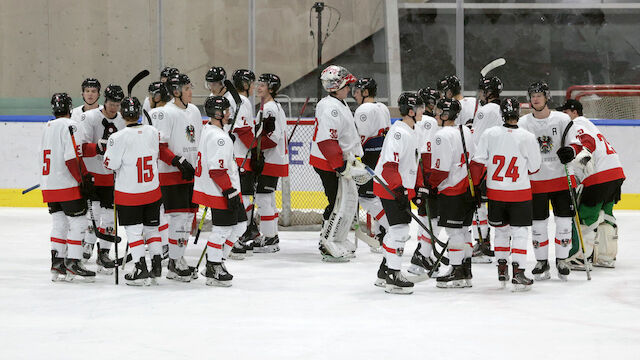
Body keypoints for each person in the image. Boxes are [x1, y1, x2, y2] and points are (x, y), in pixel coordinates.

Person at [471, 97, 541, 291]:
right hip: (519, 193)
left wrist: (476, 186)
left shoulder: (489, 133)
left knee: (500, 231)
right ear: (518, 112)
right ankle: (518, 273)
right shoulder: (527, 137)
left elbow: (478, 162)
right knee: (519, 233)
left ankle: (501, 268)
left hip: (495, 193)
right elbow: (535, 168)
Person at [556, 99, 625, 269]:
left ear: (573, 112)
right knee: (606, 214)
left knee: (586, 215)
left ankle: (580, 257)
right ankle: (605, 256)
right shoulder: (590, 124)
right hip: (615, 171)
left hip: (598, 175)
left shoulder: (576, 124)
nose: (563, 117)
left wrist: (583, 157)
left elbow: (585, 142)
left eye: (564, 112)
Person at [103, 97, 163, 286]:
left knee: (134, 232)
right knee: (153, 229)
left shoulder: (117, 137)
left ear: (122, 114)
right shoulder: (153, 131)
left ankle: (139, 268)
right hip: (152, 190)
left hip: (129, 193)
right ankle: (157, 265)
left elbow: (110, 165)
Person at [518, 81, 573, 281]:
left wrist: (571, 151)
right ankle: (542, 262)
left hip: (560, 179)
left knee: (564, 222)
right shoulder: (523, 123)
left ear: (546, 97)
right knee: (538, 224)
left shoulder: (562, 119)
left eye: (539, 95)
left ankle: (562, 260)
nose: (536, 98)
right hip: (536, 181)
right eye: (533, 95)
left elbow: (574, 143)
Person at [310, 65, 363, 262]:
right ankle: (327, 243)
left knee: (345, 202)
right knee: (336, 204)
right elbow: (326, 140)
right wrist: (338, 165)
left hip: (339, 161)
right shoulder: (330, 107)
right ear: (337, 85)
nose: (349, 88)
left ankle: (338, 238)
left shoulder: (337, 103)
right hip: (330, 163)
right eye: (346, 85)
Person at [193, 96, 248, 286]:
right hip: (221, 190)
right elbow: (216, 170)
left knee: (240, 225)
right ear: (218, 113)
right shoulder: (220, 138)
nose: (229, 112)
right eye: (226, 109)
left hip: (225, 188)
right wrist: (229, 191)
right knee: (222, 230)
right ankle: (214, 265)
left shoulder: (211, 130)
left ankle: (217, 260)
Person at [41, 93, 95, 282]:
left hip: (49, 185)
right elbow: (72, 158)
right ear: (70, 107)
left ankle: (57, 264)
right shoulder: (71, 125)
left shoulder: (47, 126)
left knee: (59, 224)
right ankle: (73, 261)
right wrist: (84, 179)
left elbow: (74, 150)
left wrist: (96, 148)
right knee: (78, 222)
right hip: (67, 184)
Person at [373, 92, 423, 294]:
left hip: (398, 187)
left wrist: (417, 188)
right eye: (419, 107)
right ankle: (393, 274)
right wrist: (399, 191)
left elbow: (413, 162)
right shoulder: (399, 132)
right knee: (400, 230)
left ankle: (384, 270)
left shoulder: (412, 130)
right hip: (390, 186)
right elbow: (389, 166)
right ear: (411, 111)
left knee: (397, 229)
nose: (423, 110)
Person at [156, 73, 202, 282]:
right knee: (178, 218)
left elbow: (197, 140)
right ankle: (174, 264)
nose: (190, 92)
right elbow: (160, 147)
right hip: (172, 175)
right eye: (186, 89)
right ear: (176, 92)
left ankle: (179, 258)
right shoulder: (166, 113)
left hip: (192, 175)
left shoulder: (193, 111)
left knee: (188, 218)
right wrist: (177, 161)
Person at [429, 98, 476, 288]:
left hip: (452, 189)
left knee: (454, 231)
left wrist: (429, 186)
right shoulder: (466, 130)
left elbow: (441, 170)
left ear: (446, 114)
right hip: (468, 189)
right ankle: (465, 269)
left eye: (440, 111)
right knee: (464, 231)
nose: (436, 113)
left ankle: (456, 269)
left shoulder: (442, 135)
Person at [79, 84, 125, 274]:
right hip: (92, 175)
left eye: (117, 104)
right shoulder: (90, 118)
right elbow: (80, 148)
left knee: (109, 216)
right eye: (111, 103)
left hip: (112, 176)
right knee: (94, 215)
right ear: (104, 101)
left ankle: (104, 252)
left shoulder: (123, 120)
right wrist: (96, 148)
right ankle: (87, 245)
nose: (113, 107)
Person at [250, 73, 288, 253]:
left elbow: (273, 137)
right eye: (259, 84)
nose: (259, 87)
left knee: (263, 198)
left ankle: (269, 238)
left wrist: (253, 148)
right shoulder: (272, 106)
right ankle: (271, 235)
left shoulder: (270, 108)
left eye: (263, 85)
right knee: (268, 199)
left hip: (270, 159)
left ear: (271, 89)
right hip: (274, 159)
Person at [352, 77, 391, 251]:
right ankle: (383, 236)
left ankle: (392, 228)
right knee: (378, 198)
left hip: (369, 158)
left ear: (366, 92)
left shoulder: (363, 109)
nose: (354, 94)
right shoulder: (382, 107)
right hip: (381, 157)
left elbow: (359, 139)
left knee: (366, 198)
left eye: (358, 91)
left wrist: (352, 156)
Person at [469, 76, 504, 263]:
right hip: (501, 167)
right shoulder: (502, 109)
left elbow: (475, 139)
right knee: (497, 207)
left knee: (479, 206)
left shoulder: (486, 110)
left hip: (484, 165)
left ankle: (482, 243)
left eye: (482, 91)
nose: (480, 94)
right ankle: (499, 245)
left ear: (488, 92)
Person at [408, 87, 442, 276]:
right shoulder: (429, 122)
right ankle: (422, 256)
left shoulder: (417, 121)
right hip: (426, 175)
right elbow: (428, 154)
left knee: (425, 217)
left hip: (415, 174)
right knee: (432, 218)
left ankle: (421, 256)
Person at [69, 78, 102, 261]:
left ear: (99, 93)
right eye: (87, 90)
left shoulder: (103, 113)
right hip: (79, 169)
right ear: (82, 93)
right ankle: (78, 241)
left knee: (96, 209)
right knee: (80, 211)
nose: (90, 94)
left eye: (93, 91)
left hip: (98, 168)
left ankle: (90, 242)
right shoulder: (73, 114)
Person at [228, 69, 259, 257]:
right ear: (246, 84)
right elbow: (243, 130)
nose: (254, 87)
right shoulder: (242, 101)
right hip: (241, 156)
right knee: (244, 198)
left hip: (234, 155)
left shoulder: (230, 98)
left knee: (241, 197)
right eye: (252, 83)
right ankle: (236, 238)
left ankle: (237, 236)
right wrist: (256, 152)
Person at [145, 81, 173, 259]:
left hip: (159, 169)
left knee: (160, 210)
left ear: (156, 97)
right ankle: (165, 244)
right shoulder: (174, 110)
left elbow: (159, 143)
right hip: (170, 169)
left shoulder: (156, 113)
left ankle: (163, 246)